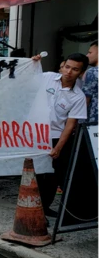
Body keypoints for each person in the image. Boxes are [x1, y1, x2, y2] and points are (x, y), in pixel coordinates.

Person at [32, 52, 89, 214]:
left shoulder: (78, 97)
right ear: (63, 66)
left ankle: (44, 208)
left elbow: (70, 126)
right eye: (67, 67)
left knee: (52, 176)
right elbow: (26, 78)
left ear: (81, 72)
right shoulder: (48, 77)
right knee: (33, 172)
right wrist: (31, 64)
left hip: (56, 137)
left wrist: (58, 148)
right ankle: (30, 207)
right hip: (35, 133)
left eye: (75, 69)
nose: (69, 72)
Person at [83, 41, 99, 123]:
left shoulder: (93, 72)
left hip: (95, 121)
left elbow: (86, 99)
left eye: (90, 52)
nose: (87, 55)